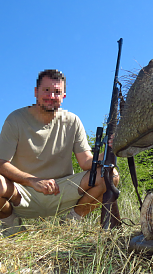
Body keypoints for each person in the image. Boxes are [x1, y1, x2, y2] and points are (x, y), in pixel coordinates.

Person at [0, 69, 119, 237]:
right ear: (36, 92)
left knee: (110, 175)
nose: (51, 96)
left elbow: (86, 162)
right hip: (23, 192)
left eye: (57, 92)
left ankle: (70, 224)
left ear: (63, 96)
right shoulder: (15, 119)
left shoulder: (73, 121)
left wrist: (114, 149)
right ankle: (13, 230)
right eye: (46, 90)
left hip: (62, 191)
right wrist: (33, 181)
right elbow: (1, 162)